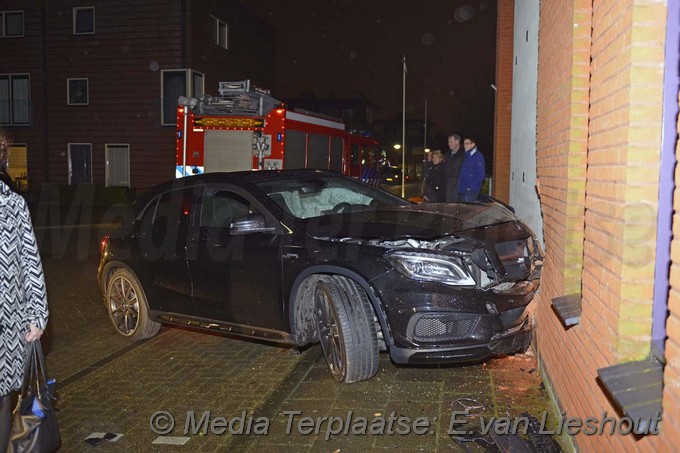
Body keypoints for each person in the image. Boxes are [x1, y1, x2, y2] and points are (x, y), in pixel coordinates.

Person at [0, 131, 49, 448]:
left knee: (4, 402)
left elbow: (30, 262)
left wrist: (37, 316)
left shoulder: (12, 204)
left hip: (6, 324)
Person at [457, 137, 486, 202]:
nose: (465, 146)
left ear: (473, 144)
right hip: (463, 188)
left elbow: (480, 174)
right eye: (464, 144)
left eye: (467, 143)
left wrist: (470, 187)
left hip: (470, 190)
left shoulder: (478, 156)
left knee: (468, 210)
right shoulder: (466, 156)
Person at [444, 133, 465, 202]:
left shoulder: (464, 154)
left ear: (457, 141)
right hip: (449, 185)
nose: (449, 144)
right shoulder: (447, 154)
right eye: (448, 142)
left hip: (458, 185)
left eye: (451, 142)